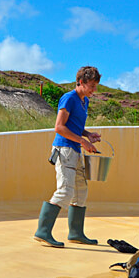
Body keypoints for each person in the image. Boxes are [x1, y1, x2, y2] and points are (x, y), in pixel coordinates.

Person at [34, 66, 102, 248]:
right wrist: (83, 141)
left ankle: (76, 233)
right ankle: (43, 231)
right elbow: (59, 127)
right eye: (92, 85)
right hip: (64, 149)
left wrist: (88, 134)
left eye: (95, 86)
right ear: (81, 82)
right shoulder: (69, 98)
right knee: (65, 190)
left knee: (81, 191)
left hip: (75, 150)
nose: (94, 89)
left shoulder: (84, 101)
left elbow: (74, 125)